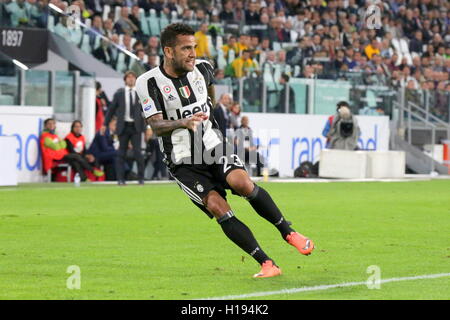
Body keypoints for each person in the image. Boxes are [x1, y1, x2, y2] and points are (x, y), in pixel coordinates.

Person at [135, 23, 314, 278]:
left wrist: (207, 116)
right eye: (186, 48)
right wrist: (182, 122)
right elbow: (155, 125)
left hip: (212, 145)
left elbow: (210, 97)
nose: (192, 53)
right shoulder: (148, 82)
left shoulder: (204, 69)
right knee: (218, 206)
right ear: (168, 51)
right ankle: (267, 263)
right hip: (182, 160)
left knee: (242, 182)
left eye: (194, 47)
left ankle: (289, 232)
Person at [103, 71, 146, 185]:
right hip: (123, 126)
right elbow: (111, 110)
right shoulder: (119, 94)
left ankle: (141, 178)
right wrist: (105, 124)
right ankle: (120, 179)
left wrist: (148, 126)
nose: (131, 79)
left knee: (138, 153)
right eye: (129, 77)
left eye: (133, 77)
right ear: (125, 80)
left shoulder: (141, 93)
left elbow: (147, 109)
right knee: (121, 153)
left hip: (136, 127)